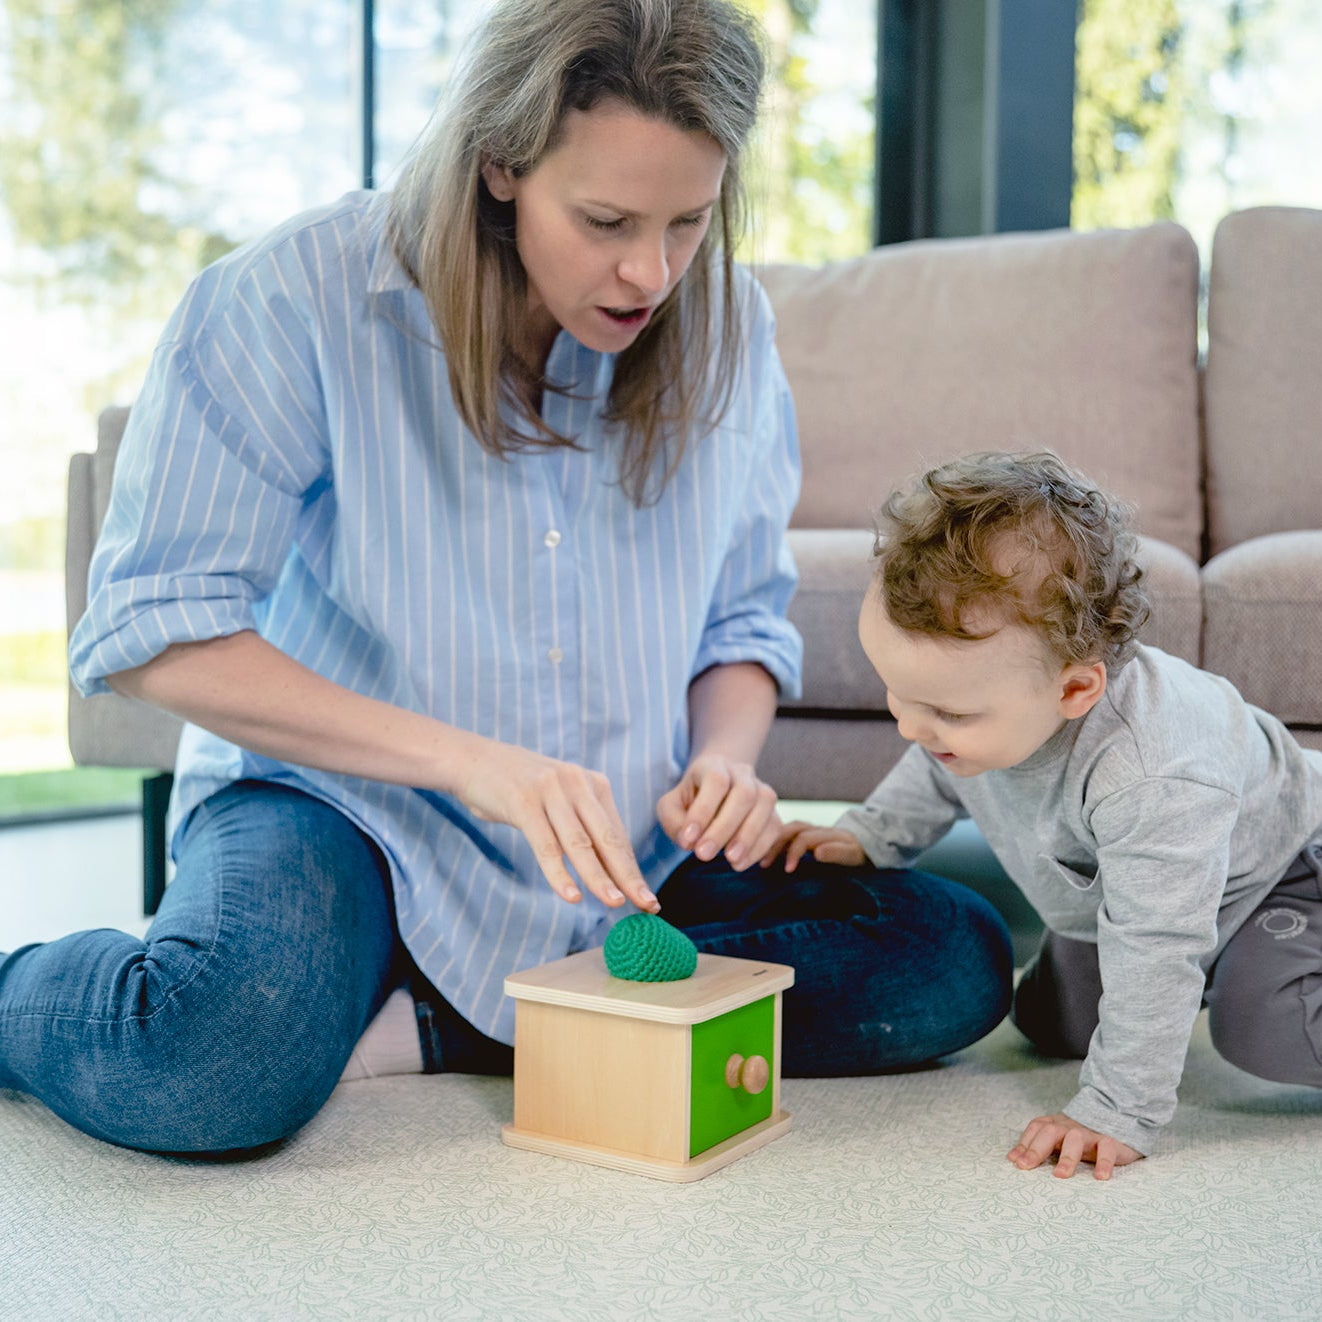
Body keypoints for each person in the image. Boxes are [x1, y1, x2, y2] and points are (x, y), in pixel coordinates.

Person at [0, 0, 1011, 1156]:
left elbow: (739, 620)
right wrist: (472, 765)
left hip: (625, 846)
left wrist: (724, 760)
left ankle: (431, 1019)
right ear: (498, 165)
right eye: (604, 219)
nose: (651, 270)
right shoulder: (296, 297)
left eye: (688, 220)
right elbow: (150, 627)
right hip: (343, 811)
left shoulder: (726, 321)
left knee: (947, 960)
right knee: (209, 1059)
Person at [770, 449, 1322, 1180]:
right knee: (1053, 1022)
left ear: (1075, 690)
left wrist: (1117, 1108)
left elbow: (1157, 942)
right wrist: (873, 833)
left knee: (1259, 1025)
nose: (909, 726)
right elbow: (938, 770)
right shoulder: (982, 717)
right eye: (897, 695)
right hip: (1146, 896)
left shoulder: (1153, 772)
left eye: (944, 711)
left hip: (1288, 874)